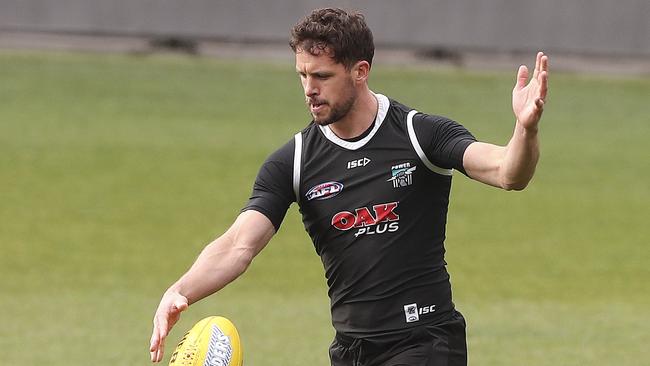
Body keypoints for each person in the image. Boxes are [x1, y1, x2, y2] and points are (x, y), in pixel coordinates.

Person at [149, 7, 548, 366]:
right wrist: (181, 289)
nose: (309, 89)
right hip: (352, 351)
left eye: (322, 76)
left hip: (425, 341)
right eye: (303, 75)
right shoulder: (295, 160)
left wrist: (524, 130)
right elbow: (239, 244)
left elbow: (507, 173)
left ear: (360, 71)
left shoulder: (418, 134)